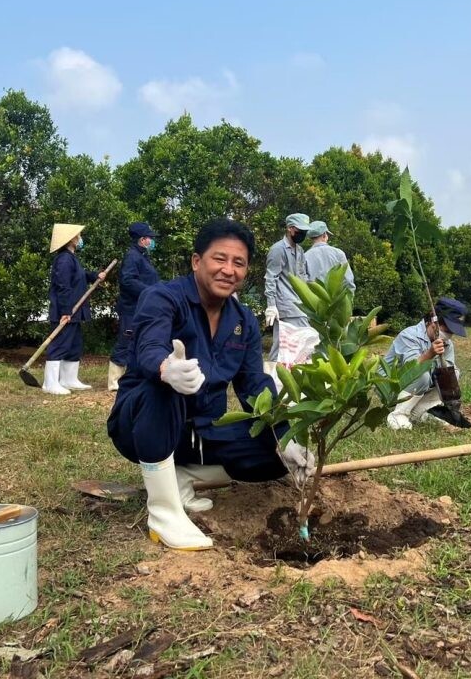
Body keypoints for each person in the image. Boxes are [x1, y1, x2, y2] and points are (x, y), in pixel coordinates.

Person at [107, 219, 316, 551]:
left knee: (277, 453)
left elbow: (254, 385)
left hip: (202, 432)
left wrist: (283, 434)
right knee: (165, 388)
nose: (228, 270)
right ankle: (163, 512)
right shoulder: (162, 297)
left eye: (239, 263)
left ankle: (183, 477)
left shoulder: (243, 321)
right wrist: (166, 367)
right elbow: (149, 347)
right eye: (220, 258)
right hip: (141, 424)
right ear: (196, 261)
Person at [384, 298, 469, 430]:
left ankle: (422, 410)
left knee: (453, 373)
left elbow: (445, 376)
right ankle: (399, 414)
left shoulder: (447, 344)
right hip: (390, 387)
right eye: (447, 329)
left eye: (452, 332)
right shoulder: (409, 336)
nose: (448, 335)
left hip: (420, 388)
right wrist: (429, 354)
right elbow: (410, 370)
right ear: (433, 321)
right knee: (421, 375)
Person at [44, 223, 106, 395]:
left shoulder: (71, 258)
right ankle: (50, 383)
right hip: (65, 310)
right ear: (71, 239)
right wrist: (65, 311)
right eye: (78, 235)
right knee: (60, 345)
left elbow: (81, 275)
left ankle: (68, 379)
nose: (80, 238)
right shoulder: (63, 259)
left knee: (74, 345)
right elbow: (63, 286)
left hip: (74, 310)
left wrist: (95, 276)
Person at [108, 222, 161, 391]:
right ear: (142, 239)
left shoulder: (143, 256)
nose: (152, 241)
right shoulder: (132, 256)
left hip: (142, 307)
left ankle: (132, 375)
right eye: (150, 238)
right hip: (131, 308)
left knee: (140, 341)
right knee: (125, 341)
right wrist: (150, 291)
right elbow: (128, 281)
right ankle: (114, 380)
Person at [264, 212, 311, 365]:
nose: (302, 234)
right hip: (286, 306)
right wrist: (271, 305)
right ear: (290, 229)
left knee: (301, 347)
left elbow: (303, 278)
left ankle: (296, 383)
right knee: (282, 347)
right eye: (300, 231)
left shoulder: (300, 251)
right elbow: (271, 277)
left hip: (300, 305)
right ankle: (270, 381)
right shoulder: (278, 249)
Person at [304, 221, 355, 291]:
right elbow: (348, 280)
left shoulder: (305, 257)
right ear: (324, 235)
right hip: (336, 299)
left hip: (314, 300)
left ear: (310, 238)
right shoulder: (338, 253)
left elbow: (303, 281)